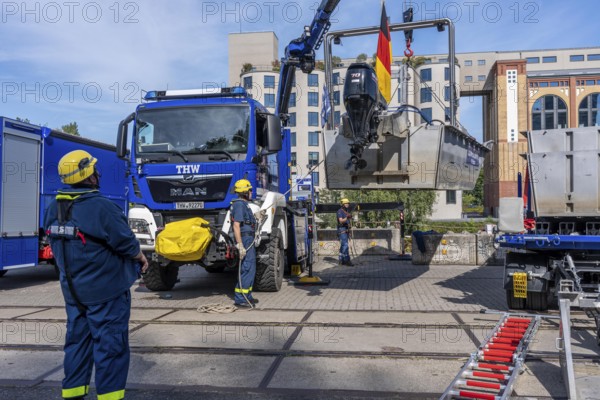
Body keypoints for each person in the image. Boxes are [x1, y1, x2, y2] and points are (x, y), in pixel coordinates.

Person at [44, 150, 148, 400]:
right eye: (94, 170)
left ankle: (73, 393)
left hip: (74, 293)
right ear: (89, 177)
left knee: (77, 345)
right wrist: (141, 258)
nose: (98, 174)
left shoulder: (54, 207)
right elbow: (125, 242)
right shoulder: (100, 206)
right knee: (111, 348)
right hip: (106, 293)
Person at [230, 178, 258, 308]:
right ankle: (241, 299)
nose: (252, 192)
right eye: (250, 190)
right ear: (245, 192)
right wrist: (240, 244)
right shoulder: (239, 205)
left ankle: (247, 295)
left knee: (250, 268)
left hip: (249, 237)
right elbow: (236, 225)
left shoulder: (244, 205)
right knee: (247, 267)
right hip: (245, 238)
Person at [337, 198, 354, 266]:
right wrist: (347, 217)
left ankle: (341, 260)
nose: (347, 204)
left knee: (343, 245)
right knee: (345, 245)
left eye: (348, 203)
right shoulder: (340, 211)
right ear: (342, 204)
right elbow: (341, 220)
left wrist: (349, 218)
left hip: (346, 229)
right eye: (346, 203)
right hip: (342, 229)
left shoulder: (346, 211)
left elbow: (347, 220)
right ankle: (347, 260)